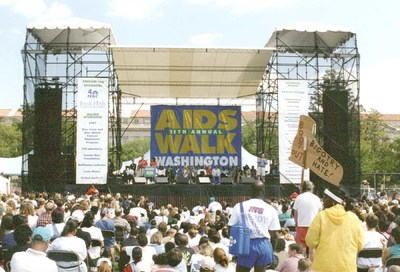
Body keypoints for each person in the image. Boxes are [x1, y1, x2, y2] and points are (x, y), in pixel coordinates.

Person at [305, 186, 365, 272]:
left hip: (323, 266)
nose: (323, 201)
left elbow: (310, 241)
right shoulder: (353, 218)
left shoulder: (321, 216)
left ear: (332, 201)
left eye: (325, 198)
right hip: (347, 267)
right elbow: (360, 244)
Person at [228, 181, 281, 272]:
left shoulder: (239, 206)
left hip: (245, 243)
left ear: (250, 192)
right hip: (264, 244)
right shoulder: (271, 209)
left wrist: (236, 247)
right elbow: (275, 235)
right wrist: (270, 251)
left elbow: (231, 228)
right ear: (264, 191)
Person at [292, 180, 322, 257]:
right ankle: (312, 267)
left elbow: (295, 213)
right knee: (312, 250)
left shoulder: (298, 198)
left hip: (301, 225)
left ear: (302, 188)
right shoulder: (316, 198)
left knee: (302, 250)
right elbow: (320, 213)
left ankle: (302, 267)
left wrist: (296, 224)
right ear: (311, 188)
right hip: (314, 226)